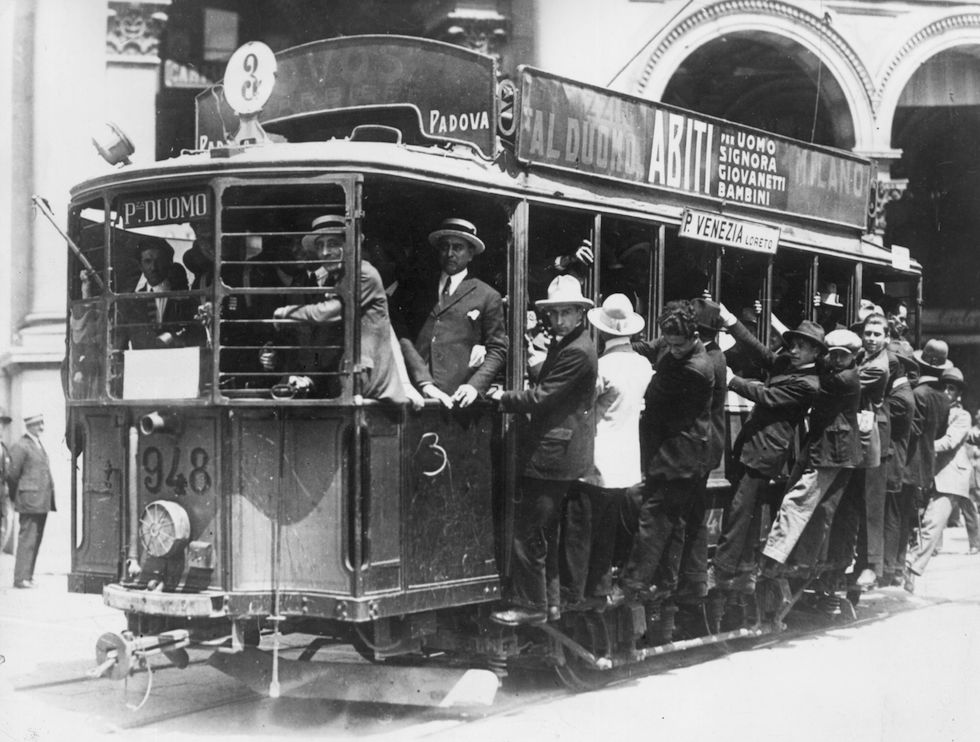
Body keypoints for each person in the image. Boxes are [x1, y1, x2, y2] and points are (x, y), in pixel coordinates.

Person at [489, 275, 597, 626]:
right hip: (557, 452)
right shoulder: (570, 343)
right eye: (554, 314)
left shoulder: (578, 350)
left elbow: (542, 396)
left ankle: (531, 605)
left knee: (527, 531)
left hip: (554, 455)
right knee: (543, 532)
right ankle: (549, 604)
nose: (559, 320)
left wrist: (502, 397)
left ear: (581, 313)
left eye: (566, 313)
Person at [708, 315, 824, 593]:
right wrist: (732, 321)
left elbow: (768, 398)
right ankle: (745, 570)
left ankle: (722, 570)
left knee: (740, 509)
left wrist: (731, 380)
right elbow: (759, 350)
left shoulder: (809, 383)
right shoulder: (789, 366)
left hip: (766, 452)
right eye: (792, 345)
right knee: (746, 510)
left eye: (801, 347)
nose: (793, 351)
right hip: (754, 446)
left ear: (816, 352)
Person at [610, 300, 715, 604]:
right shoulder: (673, 343)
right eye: (668, 343)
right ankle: (666, 581)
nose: (673, 349)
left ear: (695, 335)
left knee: (653, 519)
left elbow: (654, 395)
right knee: (672, 520)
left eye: (678, 345)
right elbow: (647, 347)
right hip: (671, 454)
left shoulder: (697, 368)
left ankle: (630, 585)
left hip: (679, 456)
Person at [268, 215, 410, 404]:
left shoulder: (362, 273)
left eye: (333, 244)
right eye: (319, 246)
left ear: (350, 245)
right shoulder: (339, 278)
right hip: (349, 380)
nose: (325, 252)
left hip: (370, 384)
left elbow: (330, 312)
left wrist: (286, 313)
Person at [565, 294, 651, 605]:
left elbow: (581, 405)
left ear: (602, 330)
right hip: (625, 465)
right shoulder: (643, 365)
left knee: (579, 533)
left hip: (595, 461)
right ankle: (599, 591)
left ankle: (574, 593)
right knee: (605, 534)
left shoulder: (602, 366)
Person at [760, 329, 863, 580]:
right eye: (834, 355)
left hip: (832, 450)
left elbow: (815, 395)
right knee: (814, 507)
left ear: (854, 357)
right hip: (830, 447)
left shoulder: (843, 379)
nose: (837, 360)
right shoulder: (836, 372)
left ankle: (772, 558)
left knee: (798, 500)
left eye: (843, 356)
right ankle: (798, 560)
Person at [395, 218, 507, 408]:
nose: (450, 253)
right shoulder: (418, 288)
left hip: (457, 398)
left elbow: (498, 349)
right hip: (417, 395)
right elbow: (401, 332)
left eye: (457, 247)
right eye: (444, 247)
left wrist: (474, 386)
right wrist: (419, 378)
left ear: (471, 254)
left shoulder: (487, 295)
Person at [836, 312, 891, 592]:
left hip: (869, 441)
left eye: (876, 334)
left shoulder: (878, 366)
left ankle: (870, 565)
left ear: (886, 338)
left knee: (868, 503)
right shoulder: (864, 357)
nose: (871, 339)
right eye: (867, 334)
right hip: (860, 434)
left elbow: (846, 382)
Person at [904, 367, 972, 588]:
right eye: (944, 387)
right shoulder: (933, 408)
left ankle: (911, 566)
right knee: (922, 523)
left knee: (932, 523)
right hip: (929, 472)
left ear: (958, 393)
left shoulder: (962, 415)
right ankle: (909, 571)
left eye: (952, 389)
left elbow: (949, 442)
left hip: (951, 476)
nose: (947, 392)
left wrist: (921, 446)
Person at [116, 239, 199, 350]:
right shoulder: (132, 302)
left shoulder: (187, 299)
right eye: (147, 261)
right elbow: (120, 344)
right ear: (140, 266)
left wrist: (172, 337)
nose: (153, 267)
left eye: (159, 261)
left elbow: (196, 335)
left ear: (169, 263)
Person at [881, 340, 919, 584]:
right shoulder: (904, 391)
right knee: (895, 516)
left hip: (894, 464)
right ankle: (891, 566)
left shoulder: (902, 397)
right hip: (900, 465)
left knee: (891, 516)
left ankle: (887, 568)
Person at [6, 412, 55, 588]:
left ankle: (28, 575)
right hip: (29, 500)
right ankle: (20, 578)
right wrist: (15, 496)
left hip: (40, 500)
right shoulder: (21, 446)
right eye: (37, 424)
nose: (41, 427)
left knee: (35, 539)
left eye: (42, 423)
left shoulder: (37, 444)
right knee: (27, 539)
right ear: (29, 426)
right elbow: (12, 475)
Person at [0, 409, 12, 555]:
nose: (1, 429)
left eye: (3, 425)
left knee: (5, 524)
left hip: (3, 494)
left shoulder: (4, 448)